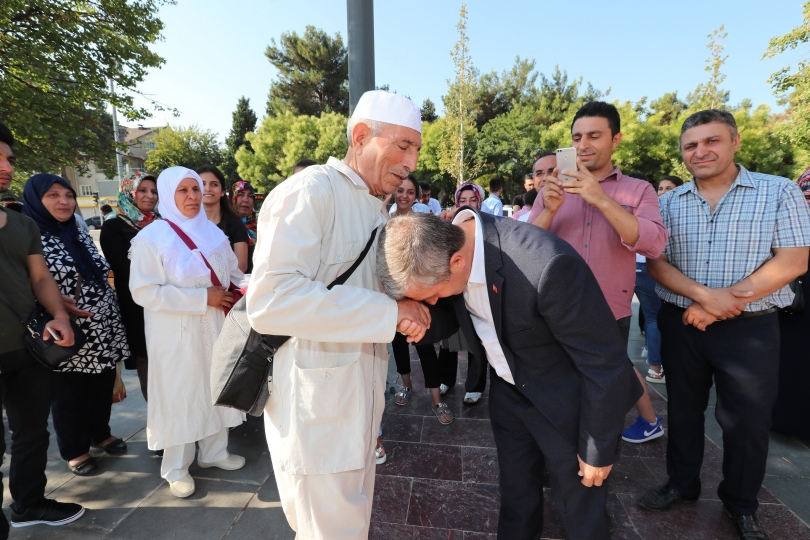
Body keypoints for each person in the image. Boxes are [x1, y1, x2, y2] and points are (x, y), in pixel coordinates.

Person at [378, 212, 642, 540]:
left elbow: (604, 363)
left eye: (430, 294)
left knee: (580, 510)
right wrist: (423, 322)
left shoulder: (545, 265)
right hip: (508, 392)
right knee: (516, 496)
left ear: (458, 262)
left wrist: (597, 448)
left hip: (568, 404)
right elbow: (450, 314)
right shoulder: (448, 254)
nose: (431, 302)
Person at [246, 90, 432, 539]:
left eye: (416, 151)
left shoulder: (373, 204)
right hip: (317, 413)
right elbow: (271, 299)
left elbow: (354, 290)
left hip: (356, 404)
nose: (410, 162)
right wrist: (390, 312)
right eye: (403, 146)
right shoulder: (310, 191)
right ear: (362, 136)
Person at [639, 110, 810, 540]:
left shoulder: (778, 192)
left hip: (750, 331)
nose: (701, 152)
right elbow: (657, 265)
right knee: (682, 411)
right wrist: (704, 299)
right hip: (683, 325)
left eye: (711, 141)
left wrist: (719, 304)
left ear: (734, 141)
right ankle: (681, 483)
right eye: (691, 146)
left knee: (748, 422)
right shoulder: (668, 203)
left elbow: (793, 260)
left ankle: (741, 503)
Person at [527, 101, 669, 445]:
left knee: (601, 400)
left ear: (615, 139)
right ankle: (556, 463)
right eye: (577, 137)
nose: (583, 144)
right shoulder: (553, 187)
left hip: (609, 310)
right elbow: (528, 244)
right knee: (554, 392)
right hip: (553, 309)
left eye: (594, 135)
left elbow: (653, 244)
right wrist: (548, 209)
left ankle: (594, 467)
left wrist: (602, 200)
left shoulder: (638, 190)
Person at [129, 167, 247, 499]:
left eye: (195, 189)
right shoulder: (151, 238)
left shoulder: (213, 233)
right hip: (175, 333)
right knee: (181, 392)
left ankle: (214, 452)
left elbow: (235, 276)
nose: (193, 196)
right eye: (183, 190)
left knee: (215, 383)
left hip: (215, 327)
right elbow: (143, 291)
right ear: (168, 194)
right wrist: (201, 298)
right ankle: (176, 467)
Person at [0, 122, 84, 533]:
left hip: (27, 347)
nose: (5, 166)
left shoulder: (21, 224)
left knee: (32, 432)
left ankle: (28, 503)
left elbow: (40, 278)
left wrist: (60, 316)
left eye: (9, 159)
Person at [22, 174, 130, 476]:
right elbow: (26, 282)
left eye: (68, 195)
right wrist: (51, 305)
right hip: (65, 328)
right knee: (69, 393)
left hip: (102, 325)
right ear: (36, 200)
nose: (64, 201)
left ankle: (100, 432)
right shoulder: (30, 236)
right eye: (53, 195)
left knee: (100, 384)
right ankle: (74, 449)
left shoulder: (78, 231)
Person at [389, 176, 453, 424]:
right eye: (400, 190)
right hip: (392, 295)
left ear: (416, 195)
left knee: (425, 345)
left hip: (416, 294)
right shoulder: (383, 217)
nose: (404, 195)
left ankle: (436, 398)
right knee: (398, 344)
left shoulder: (423, 220)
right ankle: (406, 385)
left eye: (410, 191)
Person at [99, 172, 160, 401]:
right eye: (142, 190)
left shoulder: (164, 224)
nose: (149, 196)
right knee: (146, 360)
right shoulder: (114, 226)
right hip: (137, 307)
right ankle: (158, 420)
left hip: (168, 303)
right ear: (129, 192)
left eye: (153, 191)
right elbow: (124, 268)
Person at [771, 166, 810, 440]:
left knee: (791, 355)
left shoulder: (798, 185)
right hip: (798, 283)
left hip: (796, 281)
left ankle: (786, 418)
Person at [198, 164, 249, 272]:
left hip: (227, 286)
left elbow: (241, 267)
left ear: (222, 192)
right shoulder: (186, 224)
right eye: (202, 184)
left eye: (214, 184)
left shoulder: (236, 225)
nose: (207, 189)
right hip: (195, 287)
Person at [231, 180, 257, 272]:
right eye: (241, 195)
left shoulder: (262, 225)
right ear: (233, 198)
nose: (246, 200)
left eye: (250, 196)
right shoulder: (225, 225)